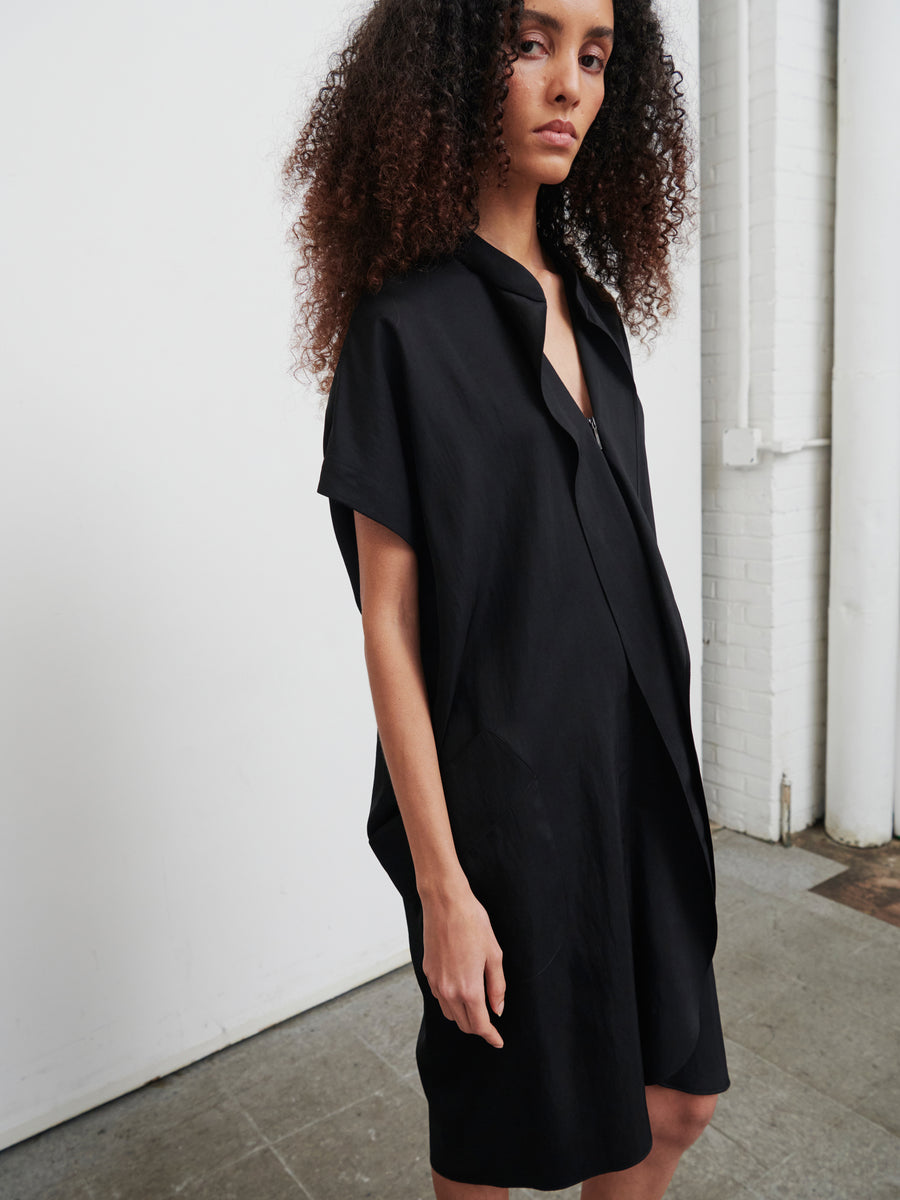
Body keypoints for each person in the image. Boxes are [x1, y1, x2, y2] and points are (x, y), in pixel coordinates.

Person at [282, 0, 731, 1196]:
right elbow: (386, 620)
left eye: (594, 56)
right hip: (508, 811)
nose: (568, 86)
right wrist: (444, 891)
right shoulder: (401, 333)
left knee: (674, 1099)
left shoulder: (591, 306)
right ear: (449, 66)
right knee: (495, 1135)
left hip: (637, 778)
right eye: (531, 44)